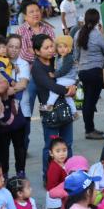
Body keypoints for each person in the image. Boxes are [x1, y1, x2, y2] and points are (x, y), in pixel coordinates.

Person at [31, 34, 77, 173]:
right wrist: (68, 90)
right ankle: (48, 175)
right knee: (51, 146)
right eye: (46, 48)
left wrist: (74, 86)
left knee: (67, 144)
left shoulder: (57, 60)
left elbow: (71, 74)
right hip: (50, 112)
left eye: (52, 46)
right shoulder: (37, 68)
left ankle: (69, 172)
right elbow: (50, 85)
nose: (51, 50)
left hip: (65, 108)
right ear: (37, 51)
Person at [75, 9, 104, 139]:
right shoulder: (96, 34)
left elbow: (76, 55)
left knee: (88, 101)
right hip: (96, 72)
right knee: (90, 102)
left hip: (83, 72)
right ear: (97, 20)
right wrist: (103, 34)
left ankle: (89, 128)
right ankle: (89, 130)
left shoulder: (78, 34)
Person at [0, 34, 29, 178]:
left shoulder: (22, 64)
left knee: (20, 146)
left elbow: (23, 84)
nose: (14, 50)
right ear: (5, 46)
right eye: (11, 46)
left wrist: (6, 91)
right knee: (3, 147)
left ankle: (20, 172)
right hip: (2, 113)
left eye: (17, 47)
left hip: (20, 111)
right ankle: (3, 174)